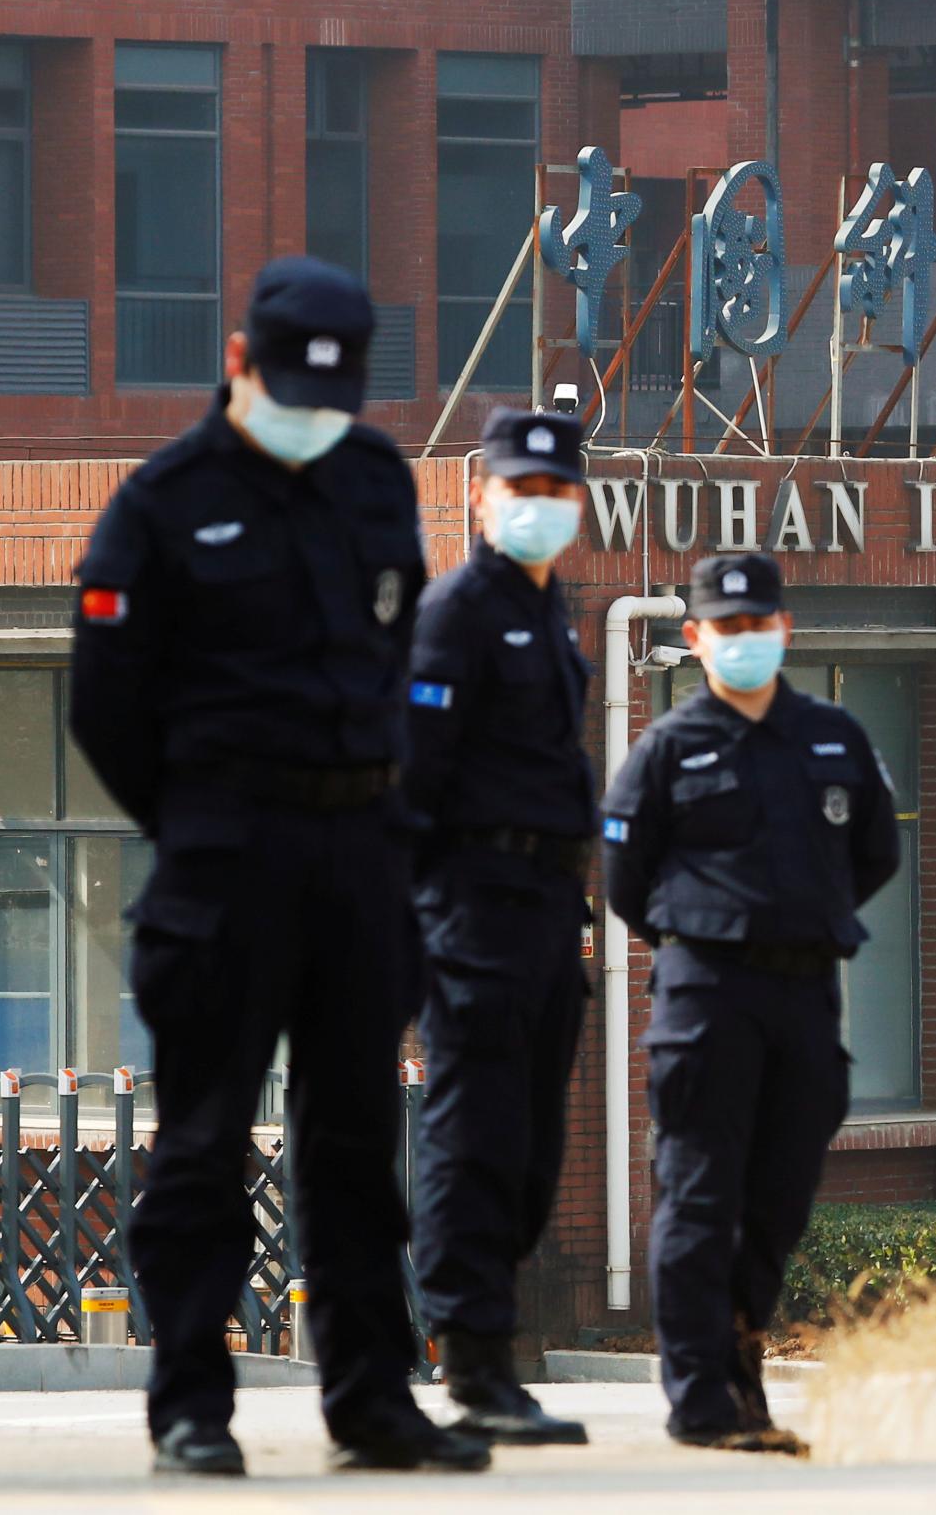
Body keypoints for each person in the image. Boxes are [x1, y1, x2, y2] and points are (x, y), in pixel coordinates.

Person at [66, 256, 487, 1478]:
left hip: (359, 850)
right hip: (225, 850)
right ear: (238, 363)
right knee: (202, 1140)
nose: (312, 413)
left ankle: (373, 1401)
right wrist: (199, 811)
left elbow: (393, 652)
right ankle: (191, 1402)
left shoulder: (368, 476)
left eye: (334, 393)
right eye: (291, 387)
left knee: (357, 1138)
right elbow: (106, 704)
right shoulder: (163, 500)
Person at [601, 552, 900, 1450]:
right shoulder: (665, 749)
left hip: (807, 990)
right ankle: (700, 1399)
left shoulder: (836, 738)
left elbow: (876, 853)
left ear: (784, 629)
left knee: (780, 1196)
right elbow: (624, 878)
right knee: (698, 1197)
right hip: (706, 993)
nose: (743, 639)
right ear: (694, 639)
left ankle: (739, 1351)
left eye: (757, 624)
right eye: (724, 627)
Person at [401, 407, 596, 1447]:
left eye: (557, 490)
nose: (539, 506)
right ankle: (473, 1361)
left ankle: (489, 1343)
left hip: (544, 914)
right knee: (473, 1138)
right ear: (480, 496)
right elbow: (415, 783)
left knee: (530, 1147)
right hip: (474, 910)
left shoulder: (551, 608)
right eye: (520, 489)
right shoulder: (457, 611)